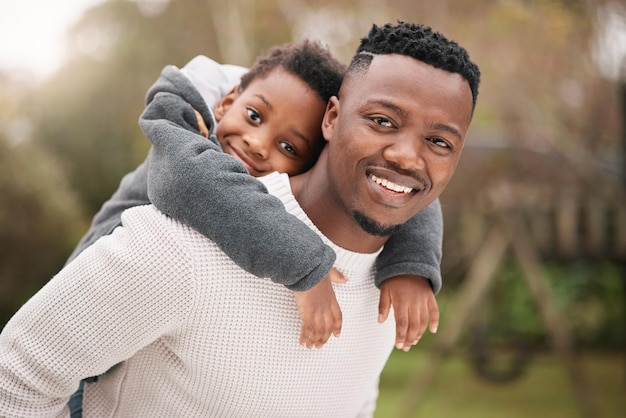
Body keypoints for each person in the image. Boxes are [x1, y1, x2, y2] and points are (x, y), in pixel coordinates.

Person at [0, 21, 480, 417]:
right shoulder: (180, 236)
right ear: (332, 119)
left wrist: (416, 266)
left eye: (440, 142)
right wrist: (306, 265)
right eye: (382, 120)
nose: (406, 156)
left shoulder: (393, 286)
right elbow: (16, 381)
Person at [69, 40, 444, 350]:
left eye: (289, 147)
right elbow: (190, 182)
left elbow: (401, 182)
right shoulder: (183, 128)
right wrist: (304, 264)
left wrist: (412, 264)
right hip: (82, 317)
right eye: (253, 117)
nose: (258, 144)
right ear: (227, 101)